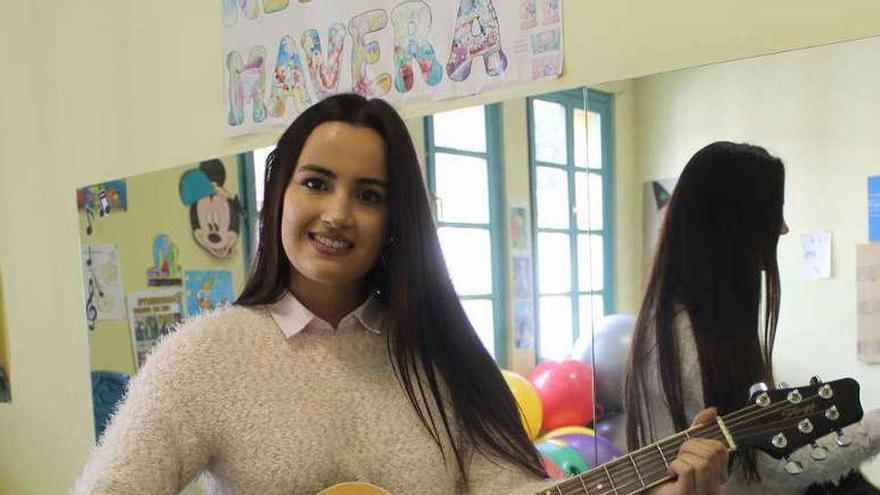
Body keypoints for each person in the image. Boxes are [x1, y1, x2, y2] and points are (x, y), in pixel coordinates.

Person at [75, 94, 729, 495]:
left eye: (369, 195)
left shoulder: (433, 354)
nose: (337, 213)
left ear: (396, 219)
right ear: (280, 193)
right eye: (316, 182)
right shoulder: (205, 358)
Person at [623, 141, 880, 495]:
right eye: (775, 213)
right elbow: (772, 472)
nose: (784, 228)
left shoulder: (680, 323)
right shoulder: (692, 345)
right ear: (736, 224)